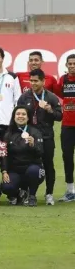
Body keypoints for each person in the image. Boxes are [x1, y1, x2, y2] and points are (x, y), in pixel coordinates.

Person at [17, 69, 61, 205]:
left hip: (46, 137)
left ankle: (49, 194)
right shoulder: (24, 97)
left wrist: (50, 110)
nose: (33, 83)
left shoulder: (51, 97)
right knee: (27, 164)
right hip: (29, 136)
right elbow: (18, 116)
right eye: (31, 81)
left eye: (36, 81)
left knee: (48, 165)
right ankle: (27, 192)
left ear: (43, 81)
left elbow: (60, 116)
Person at [0, 106, 44, 207]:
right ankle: (20, 194)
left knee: (33, 171)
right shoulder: (8, 134)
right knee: (6, 187)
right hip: (15, 171)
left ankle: (32, 196)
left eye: (23, 114)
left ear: (28, 118)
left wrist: (33, 145)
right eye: (18, 114)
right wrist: (4, 171)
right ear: (14, 117)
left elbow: (41, 152)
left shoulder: (35, 132)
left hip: (34, 169)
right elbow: (4, 155)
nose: (21, 116)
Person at [54, 54, 75, 202]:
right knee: (67, 157)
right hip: (67, 126)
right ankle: (70, 190)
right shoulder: (63, 80)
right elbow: (57, 93)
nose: (72, 66)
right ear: (66, 65)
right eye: (70, 64)